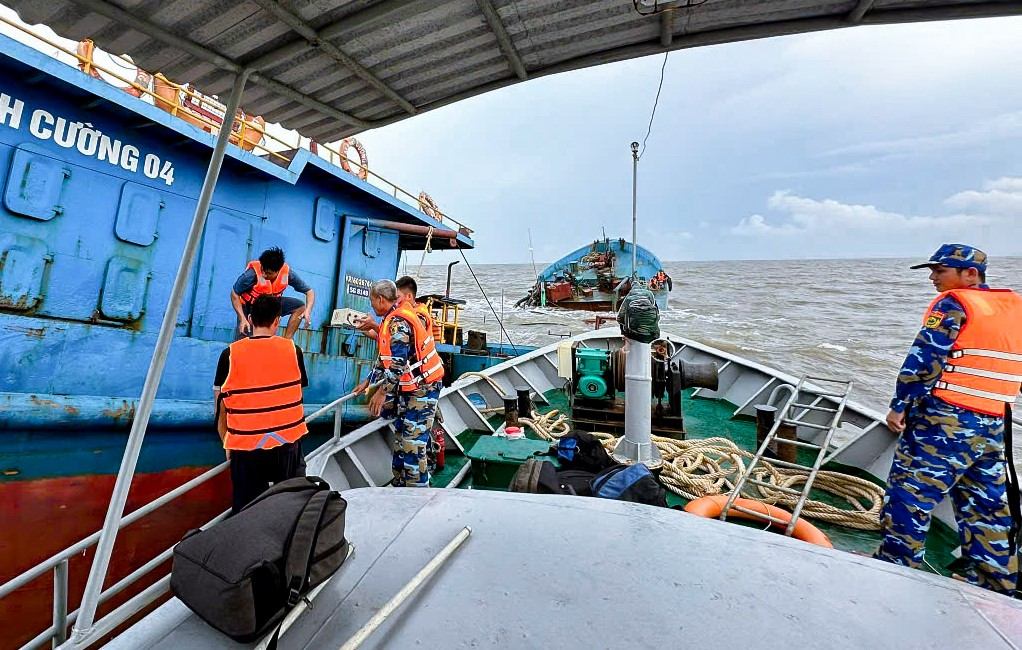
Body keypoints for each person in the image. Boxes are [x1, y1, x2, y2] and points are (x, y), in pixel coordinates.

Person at [874, 244, 1022, 596]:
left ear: (970, 274)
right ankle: (994, 582)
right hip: (993, 424)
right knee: (986, 503)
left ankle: (895, 565)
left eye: (940, 270)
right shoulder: (1015, 308)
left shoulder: (954, 304)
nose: (932, 277)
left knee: (910, 492)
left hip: (945, 420)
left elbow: (925, 361)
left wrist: (900, 405)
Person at [214, 295, 310, 514]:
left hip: (246, 448)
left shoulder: (230, 354)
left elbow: (221, 405)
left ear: (250, 319)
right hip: (288, 444)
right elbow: (295, 393)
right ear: (277, 321)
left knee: (248, 512)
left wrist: (227, 441)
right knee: (291, 507)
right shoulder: (293, 351)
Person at [355, 279, 444, 487]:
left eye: (372, 301)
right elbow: (385, 357)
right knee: (401, 441)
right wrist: (368, 381)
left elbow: (397, 364)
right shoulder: (390, 319)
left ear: (380, 299)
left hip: (423, 389)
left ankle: (418, 492)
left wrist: (381, 392)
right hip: (408, 390)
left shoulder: (398, 323)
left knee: (412, 445)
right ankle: (400, 485)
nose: (372, 305)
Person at [231, 247, 315, 340]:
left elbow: (309, 292)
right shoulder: (250, 275)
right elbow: (234, 294)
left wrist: (308, 311)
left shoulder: (288, 274)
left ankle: (287, 340)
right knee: (243, 338)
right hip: (250, 306)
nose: (264, 275)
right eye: (262, 270)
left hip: (271, 305)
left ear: (278, 271)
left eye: (268, 273)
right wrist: (242, 318)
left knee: (300, 307)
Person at [355, 275, 434, 341]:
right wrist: (366, 329)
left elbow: (397, 340)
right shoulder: (400, 314)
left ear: (409, 296)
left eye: (397, 297)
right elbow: (387, 336)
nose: (394, 301)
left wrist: (374, 326)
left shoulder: (418, 317)